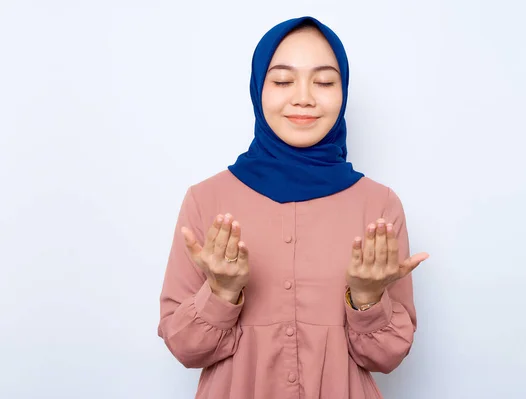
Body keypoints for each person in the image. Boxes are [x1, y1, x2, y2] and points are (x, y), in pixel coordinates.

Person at [158, 15, 429, 399]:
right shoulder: (206, 200)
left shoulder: (379, 205)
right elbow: (184, 348)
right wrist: (220, 293)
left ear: (344, 91)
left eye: (324, 81)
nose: (303, 96)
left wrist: (366, 298)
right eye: (283, 81)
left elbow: (386, 357)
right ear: (257, 89)